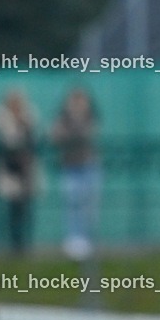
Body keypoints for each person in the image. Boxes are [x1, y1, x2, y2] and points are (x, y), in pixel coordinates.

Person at [50, 87, 100, 260]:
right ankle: (73, 239)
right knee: (72, 202)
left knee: (88, 204)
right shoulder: (63, 119)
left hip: (88, 164)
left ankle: (87, 238)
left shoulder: (90, 117)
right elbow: (55, 136)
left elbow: (87, 134)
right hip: (70, 165)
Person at [0, 89, 39, 253]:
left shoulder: (30, 120)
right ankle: (10, 244)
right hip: (8, 170)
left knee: (25, 209)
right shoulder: (0, 121)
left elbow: (34, 143)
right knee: (9, 209)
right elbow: (3, 144)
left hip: (26, 171)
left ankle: (24, 244)